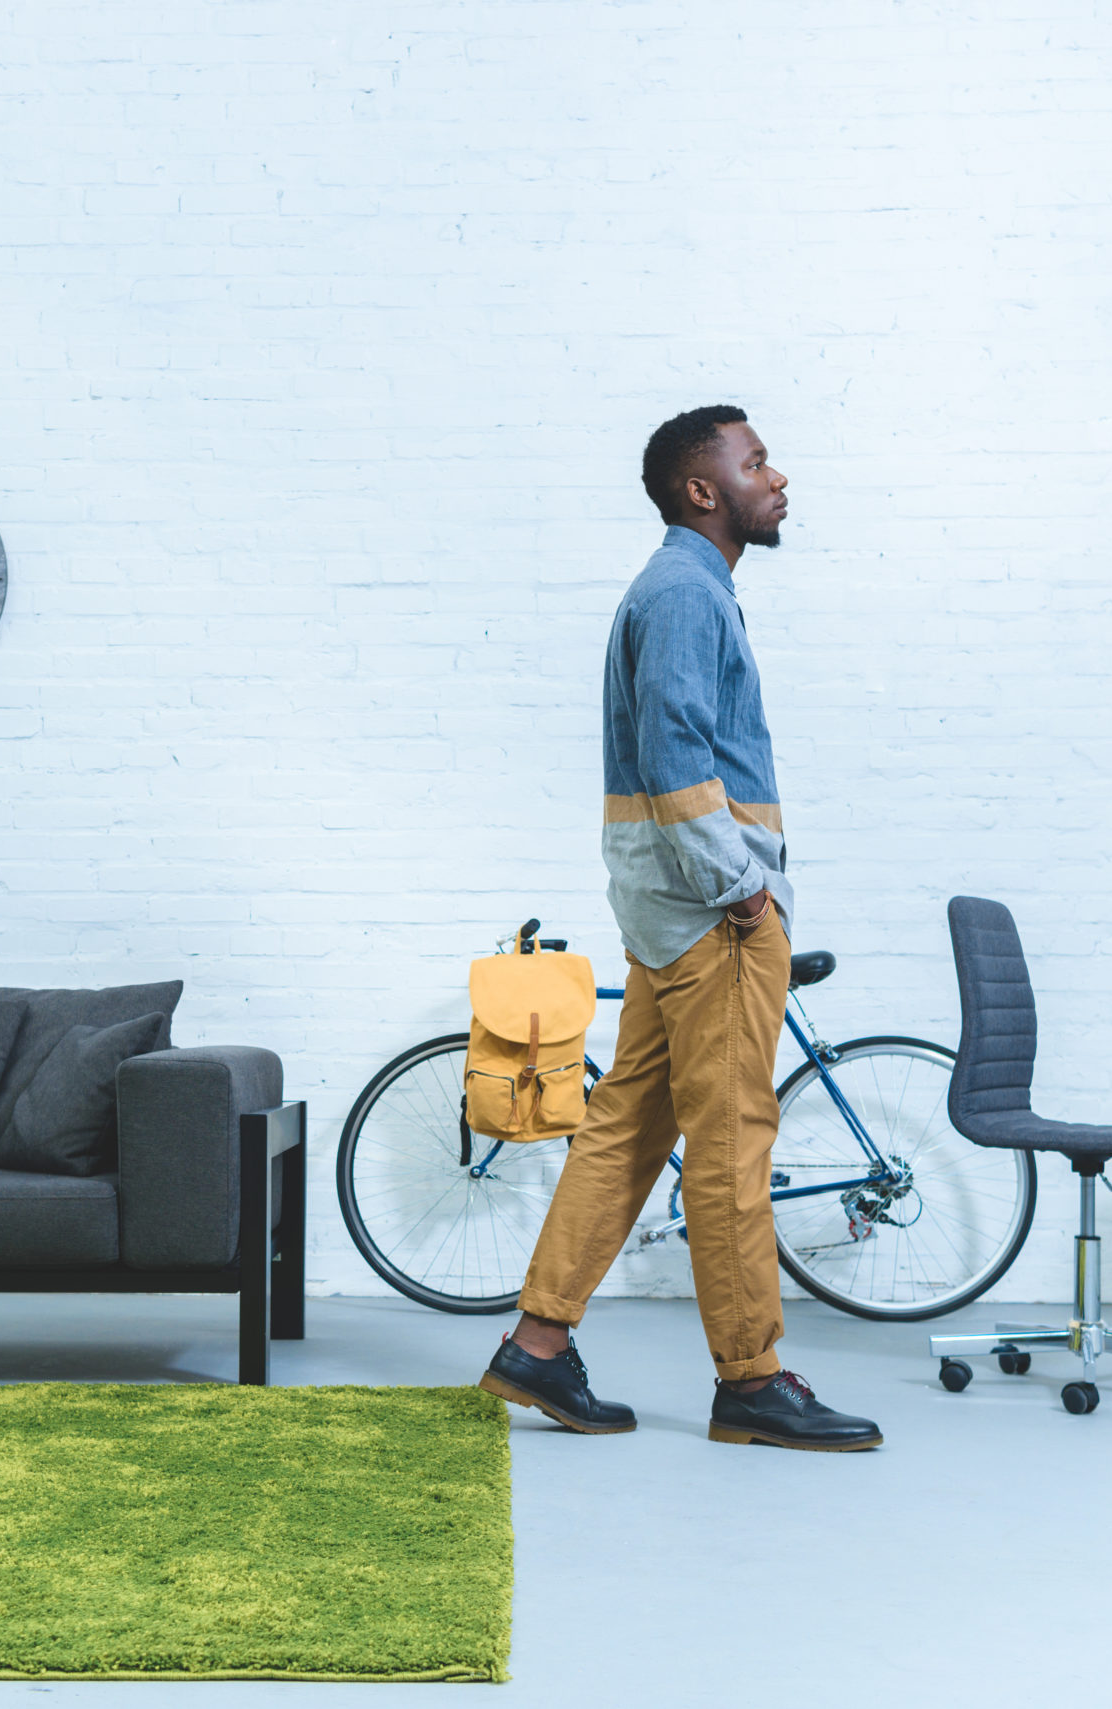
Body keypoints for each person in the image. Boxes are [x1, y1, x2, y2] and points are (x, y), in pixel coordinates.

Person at [477, 405, 882, 1452]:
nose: (776, 475)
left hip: (671, 914)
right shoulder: (684, 594)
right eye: (754, 462)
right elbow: (672, 752)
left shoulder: (683, 589)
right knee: (731, 1139)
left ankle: (537, 1342)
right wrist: (744, 889)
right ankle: (751, 1374)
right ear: (702, 490)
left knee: (627, 1127)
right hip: (712, 918)